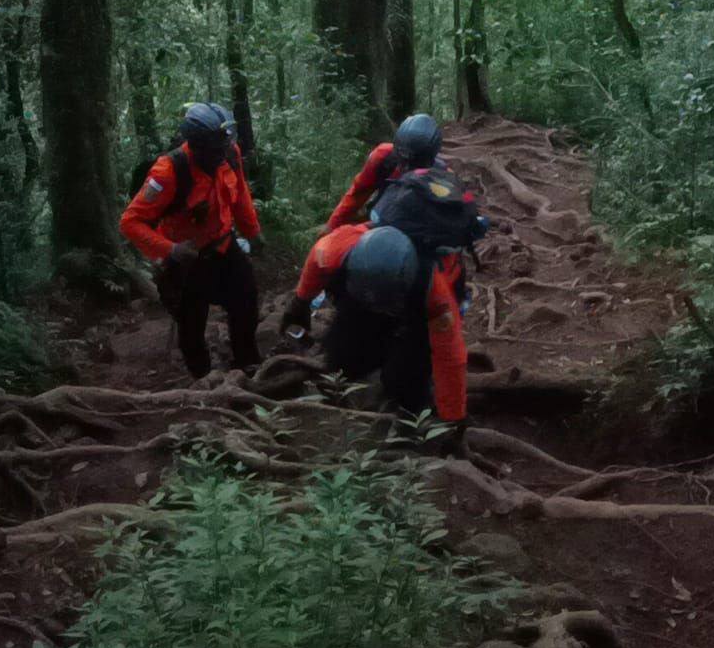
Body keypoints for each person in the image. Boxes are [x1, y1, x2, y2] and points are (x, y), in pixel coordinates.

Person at [280, 224, 469, 452]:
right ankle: (340, 392)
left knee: (407, 375)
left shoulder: (435, 292)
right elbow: (314, 264)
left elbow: (451, 356)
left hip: (411, 305)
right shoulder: (335, 248)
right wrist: (299, 302)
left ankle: (407, 423)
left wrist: (455, 418)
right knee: (342, 354)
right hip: (364, 295)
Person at [120, 102, 262, 378]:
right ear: (196, 146)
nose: (220, 155)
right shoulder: (168, 172)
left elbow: (240, 194)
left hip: (223, 244)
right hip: (186, 259)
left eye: (223, 148)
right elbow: (130, 222)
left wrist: (253, 232)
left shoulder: (229, 154)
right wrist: (170, 250)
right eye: (214, 151)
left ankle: (248, 365)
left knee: (246, 300)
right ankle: (203, 380)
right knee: (191, 326)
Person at [321, 113, 446, 235]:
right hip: (382, 218)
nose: (405, 168)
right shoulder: (383, 157)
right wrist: (332, 226)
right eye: (402, 161)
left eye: (412, 163)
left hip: (419, 230)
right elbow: (358, 193)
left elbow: (449, 227)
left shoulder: (442, 178)